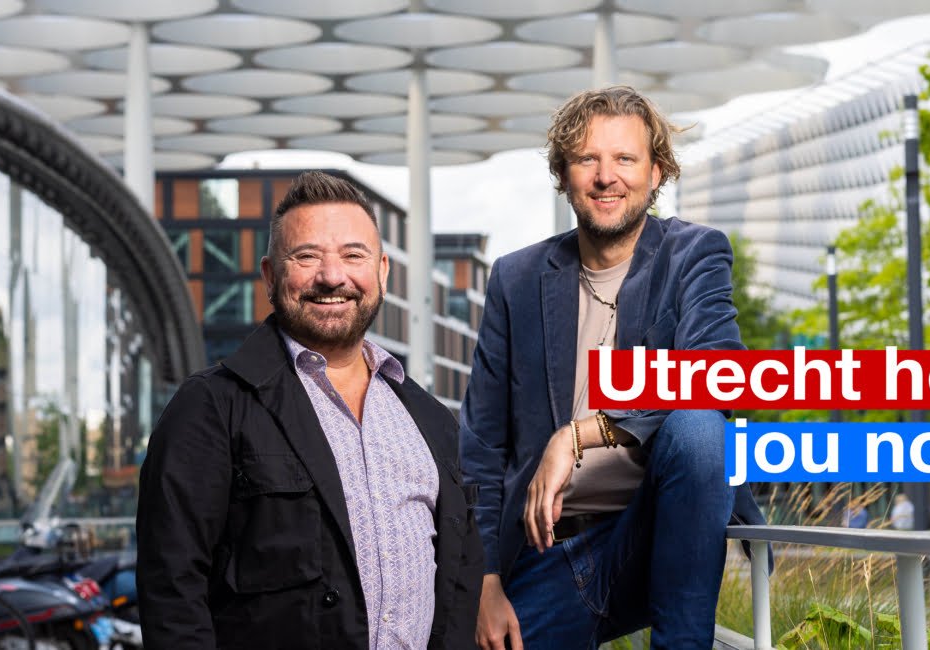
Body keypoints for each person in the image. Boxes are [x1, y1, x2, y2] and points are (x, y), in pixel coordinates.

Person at [460, 85, 764, 650]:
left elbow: (721, 370)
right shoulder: (516, 279)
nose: (607, 176)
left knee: (700, 426)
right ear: (564, 173)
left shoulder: (693, 255)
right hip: (546, 552)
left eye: (625, 158)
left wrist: (578, 434)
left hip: (656, 538)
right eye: (587, 159)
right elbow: (479, 444)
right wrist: (485, 583)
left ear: (656, 173)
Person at [137, 172, 482, 650]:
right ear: (270, 276)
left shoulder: (431, 421)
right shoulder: (210, 409)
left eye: (353, 255)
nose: (332, 276)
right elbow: (172, 593)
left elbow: (461, 581)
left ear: (382, 271)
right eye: (306, 256)